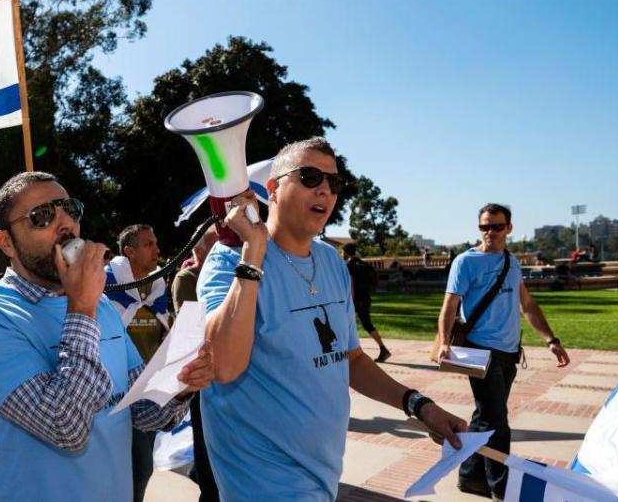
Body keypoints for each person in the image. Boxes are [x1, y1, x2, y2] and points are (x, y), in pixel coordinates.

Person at [199, 137, 467, 501]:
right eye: (310, 176)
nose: (325, 189)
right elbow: (225, 366)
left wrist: (420, 406)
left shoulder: (331, 262)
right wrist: (253, 252)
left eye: (334, 182)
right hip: (262, 479)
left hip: (322, 473)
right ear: (274, 189)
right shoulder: (229, 261)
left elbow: (351, 359)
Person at [0, 172, 213, 502]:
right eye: (43, 215)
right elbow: (66, 428)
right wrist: (81, 306)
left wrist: (180, 385)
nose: (66, 224)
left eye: (69, 210)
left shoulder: (99, 304)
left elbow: (140, 411)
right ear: (6, 242)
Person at [437, 203, 571, 500]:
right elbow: (449, 305)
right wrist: (444, 340)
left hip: (509, 353)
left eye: (497, 226)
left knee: (486, 416)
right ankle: (501, 488)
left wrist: (551, 339)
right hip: (480, 352)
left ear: (509, 228)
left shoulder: (512, 262)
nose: (491, 232)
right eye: (485, 227)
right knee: (497, 422)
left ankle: (471, 476)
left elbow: (527, 306)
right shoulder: (465, 262)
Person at [104, 224, 172, 502]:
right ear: (129, 252)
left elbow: (163, 326)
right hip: (118, 390)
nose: (157, 249)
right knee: (139, 467)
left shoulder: (158, 285)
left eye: (155, 243)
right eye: (148, 244)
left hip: (150, 387)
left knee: (141, 468)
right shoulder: (106, 283)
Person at [170, 225, 220, 502]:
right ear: (198, 250)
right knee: (206, 446)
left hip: (227, 374)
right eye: (216, 245)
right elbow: (192, 326)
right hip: (202, 376)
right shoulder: (188, 278)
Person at [343, 243, 391, 362]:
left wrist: (351, 305)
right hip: (366, 298)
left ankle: (347, 354)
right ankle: (383, 349)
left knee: (345, 326)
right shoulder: (363, 264)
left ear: (345, 252)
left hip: (355, 301)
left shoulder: (350, 266)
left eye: (342, 252)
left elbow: (351, 286)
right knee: (367, 325)